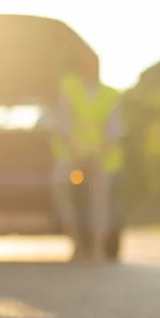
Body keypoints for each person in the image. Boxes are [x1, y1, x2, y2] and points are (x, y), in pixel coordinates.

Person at [49, 69, 124, 260]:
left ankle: (97, 249)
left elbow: (115, 130)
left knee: (99, 203)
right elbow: (63, 125)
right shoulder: (69, 88)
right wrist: (75, 155)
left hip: (102, 158)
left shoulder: (111, 95)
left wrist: (98, 156)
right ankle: (77, 244)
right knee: (60, 185)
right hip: (72, 155)